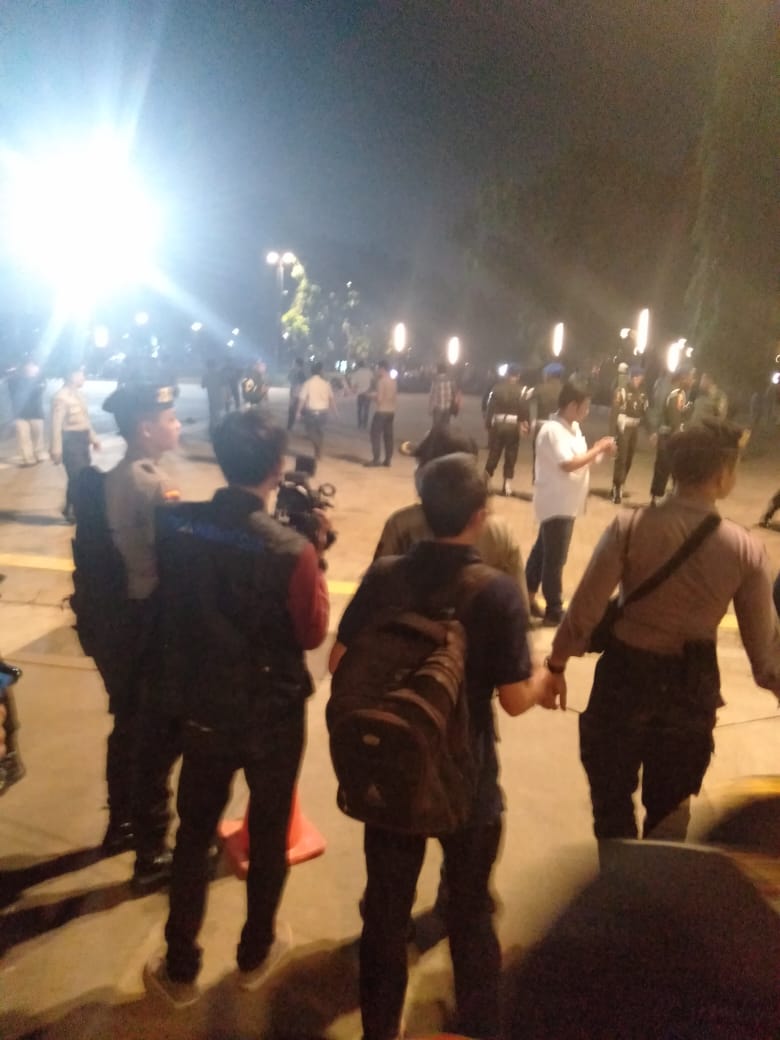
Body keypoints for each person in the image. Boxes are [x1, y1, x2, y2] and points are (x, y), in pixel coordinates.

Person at [328, 453, 563, 1040]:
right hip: (467, 779)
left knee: (385, 914)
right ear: (480, 516)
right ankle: (476, 1028)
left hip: (392, 767)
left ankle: (380, 1031)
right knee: (469, 913)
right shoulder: (497, 592)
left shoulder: (386, 575)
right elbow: (514, 700)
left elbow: (338, 662)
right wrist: (546, 680)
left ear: (422, 509)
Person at [145, 409, 330, 1007]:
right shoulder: (292, 550)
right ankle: (254, 953)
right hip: (272, 712)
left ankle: (179, 964)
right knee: (270, 834)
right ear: (277, 468)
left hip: (203, 704)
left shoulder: (177, 524)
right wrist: (316, 554)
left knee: (194, 832)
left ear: (221, 460)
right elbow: (311, 632)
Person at [547, 420, 780, 851]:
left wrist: (556, 665)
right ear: (723, 474)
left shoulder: (630, 527)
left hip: (622, 679)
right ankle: (657, 882)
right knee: (670, 814)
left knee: (611, 802)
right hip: (690, 691)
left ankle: (618, 878)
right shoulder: (745, 549)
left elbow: (583, 612)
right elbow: (765, 657)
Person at [78, 380, 183, 889]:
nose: (177, 425)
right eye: (169, 418)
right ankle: (150, 853)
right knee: (156, 734)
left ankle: (120, 823)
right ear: (146, 428)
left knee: (128, 724)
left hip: (118, 622)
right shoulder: (150, 485)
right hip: (149, 622)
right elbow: (176, 559)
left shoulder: (117, 476)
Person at [376, 425, 530, 616]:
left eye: (421, 463)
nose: (417, 471)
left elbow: (376, 601)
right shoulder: (500, 531)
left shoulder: (401, 525)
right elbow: (520, 609)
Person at [526, 382, 616, 626]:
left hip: (567, 501)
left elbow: (580, 458)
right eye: (585, 406)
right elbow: (568, 464)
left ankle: (527, 598)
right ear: (572, 405)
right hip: (556, 502)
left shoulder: (573, 428)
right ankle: (554, 609)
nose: (587, 411)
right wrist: (597, 449)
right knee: (555, 559)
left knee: (542, 552)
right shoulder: (552, 430)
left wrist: (599, 451)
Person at [50, 364, 100, 522]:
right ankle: (74, 510)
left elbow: (85, 420)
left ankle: (70, 508)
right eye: (81, 374)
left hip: (82, 440)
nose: (83, 378)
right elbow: (56, 425)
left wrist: (93, 438)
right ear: (71, 376)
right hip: (70, 441)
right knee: (77, 476)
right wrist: (56, 448)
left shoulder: (79, 395)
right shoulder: (61, 397)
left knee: (82, 476)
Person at [648, 364, 695, 501]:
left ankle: (661, 497)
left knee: (668, 467)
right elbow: (675, 419)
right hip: (670, 436)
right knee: (665, 467)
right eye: (691, 377)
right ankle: (658, 498)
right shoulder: (676, 394)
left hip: (669, 435)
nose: (692, 381)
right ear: (683, 378)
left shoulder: (678, 392)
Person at [483, 363, 529, 496]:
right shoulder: (522, 390)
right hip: (513, 425)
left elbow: (490, 407)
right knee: (511, 455)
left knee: (494, 453)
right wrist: (525, 423)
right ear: (518, 375)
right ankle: (507, 485)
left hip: (498, 424)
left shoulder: (496, 388)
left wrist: (488, 423)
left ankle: (487, 481)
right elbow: (523, 409)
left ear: (507, 374)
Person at [609, 364, 649, 504]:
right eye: (636, 377)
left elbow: (645, 412)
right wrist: (611, 435)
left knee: (629, 459)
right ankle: (617, 487)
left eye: (640, 378)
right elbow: (614, 412)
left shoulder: (642, 394)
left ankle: (621, 482)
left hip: (634, 428)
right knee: (621, 458)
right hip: (623, 428)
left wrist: (651, 431)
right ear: (631, 377)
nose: (638, 380)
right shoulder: (621, 391)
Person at [8, 359, 47, 467]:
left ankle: (38, 453)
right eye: (28, 366)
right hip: (20, 414)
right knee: (23, 438)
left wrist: (31, 380)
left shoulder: (40, 379)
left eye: (32, 366)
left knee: (37, 436)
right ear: (23, 367)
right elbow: (13, 393)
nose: (30, 368)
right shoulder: (14, 380)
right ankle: (28, 458)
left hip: (36, 413)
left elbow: (37, 391)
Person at [297, 360, 337, 460]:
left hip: (311, 412)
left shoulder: (308, 383)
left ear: (311, 372)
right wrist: (335, 412)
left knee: (310, 432)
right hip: (323, 412)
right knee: (319, 432)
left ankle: (318, 449)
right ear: (320, 372)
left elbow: (302, 399)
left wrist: (298, 411)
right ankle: (318, 451)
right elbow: (331, 399)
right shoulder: (326, 383)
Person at [365, 359, 397, 467]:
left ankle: (376, 459)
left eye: (378, 369)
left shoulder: (381, 381)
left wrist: (370, 396)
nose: (377, 371)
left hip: (381, 411)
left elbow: (379, 399)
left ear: (382, 369)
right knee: (388, 436)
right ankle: (388, 460)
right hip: (391, 411)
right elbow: (393, 397)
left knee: (375, 435)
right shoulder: (393, 381)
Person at [201, 359, 227, 438]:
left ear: (208, 366)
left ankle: (213, 432)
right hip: (219, 397)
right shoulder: (219, 374)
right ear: (215, 366)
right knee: (217, 415)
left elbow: (203, 385)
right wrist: (226, 397)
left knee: (214, 415)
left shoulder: (206, 375)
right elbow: (224, 386)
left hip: (211, 398)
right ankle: (217, 432)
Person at [428, 362, 454, 428]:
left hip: (438, 407)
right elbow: (452, 393)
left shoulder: (436, 380)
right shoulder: (450, 380)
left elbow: (432, 395)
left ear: (438, 370)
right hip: (447, 407)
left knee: (436, 427)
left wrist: (430, 408)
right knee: (446, 426)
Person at [350, 360, 373, 430]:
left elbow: (353, 385)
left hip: (360, 394)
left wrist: (354, 390)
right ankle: (365, 424)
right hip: (367, 393)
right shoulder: (369, 372)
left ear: (358, 366)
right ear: (364, 365)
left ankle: (359, 424)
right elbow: (373, 380)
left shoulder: (356, 373)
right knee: (366, 409)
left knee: (359, 409)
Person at [287, 357, 306, 430]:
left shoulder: (299, 373)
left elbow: (300, 384)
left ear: (297, 364)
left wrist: (296, 391)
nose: (293, 364)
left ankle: (290, 426)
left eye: (294, 363)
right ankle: (291, 426)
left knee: (293, 409)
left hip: (296, 393)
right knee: (297, 409)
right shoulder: (297, 372)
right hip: (296, 392)